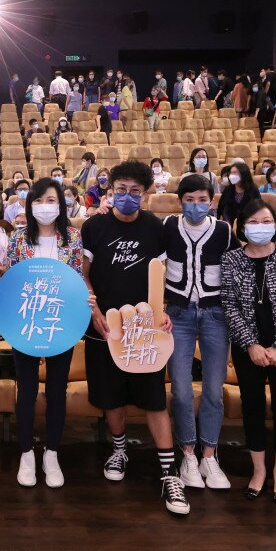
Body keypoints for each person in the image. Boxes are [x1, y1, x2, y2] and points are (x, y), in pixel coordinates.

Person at [81, 160, 189, 515]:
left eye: (135, 192)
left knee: (155, 400)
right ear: (111, 191)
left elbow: (164, 278)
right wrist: (94, 311)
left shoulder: (155, 228)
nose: (127, 197)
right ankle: (119, 448)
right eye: (121, 190)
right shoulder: (94, 227)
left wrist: (163, 316)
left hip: (145, 330)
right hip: (106, 328)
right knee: (112, 399)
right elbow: (83, 274)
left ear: (145, 195)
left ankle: (169, 472)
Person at [221, 199, 276, 504]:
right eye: (253, 222)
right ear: (242, 226)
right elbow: (229, 305)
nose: (260, 227)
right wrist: (251, 344)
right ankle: (258, 471)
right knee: (253, 408)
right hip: (249, 347)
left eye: (266, 221)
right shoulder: (230, 260)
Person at [160, 175, 239, 492]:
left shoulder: (223, 231)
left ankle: (210, 453)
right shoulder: (167, 226)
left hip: (214, 315)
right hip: (176, 314)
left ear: (212, 200)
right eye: (189, 199)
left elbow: (239, 265)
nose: (196, 205)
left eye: (202, 199)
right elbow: (152, 265)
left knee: (212, 389)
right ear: (180, 201)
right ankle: (188, 453)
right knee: (179, 388)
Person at [6, 177, 82, 488]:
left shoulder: (73, 239)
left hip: (61, 324)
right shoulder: (18, 239)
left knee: (56, 391)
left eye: (51, 200)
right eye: (38, 201)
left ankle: (51, 453)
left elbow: (76, 279)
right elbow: (12, 278)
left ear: (61, 205)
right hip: (25, 323)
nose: (44, 207)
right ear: (29, 205)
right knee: (25, 391)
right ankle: (26, 452)